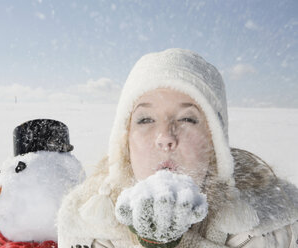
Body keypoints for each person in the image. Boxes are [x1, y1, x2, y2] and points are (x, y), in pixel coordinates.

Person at [57, 48, 298, 247]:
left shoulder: (280, 225)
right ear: (125, 142)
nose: (165, 138)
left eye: (187, 119)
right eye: (146, 119)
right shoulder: (86, 227)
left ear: (216, 143)